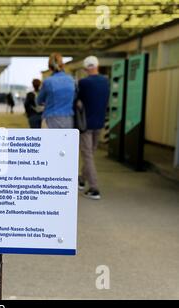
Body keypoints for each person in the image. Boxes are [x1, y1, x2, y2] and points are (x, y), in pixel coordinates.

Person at [77, 56, 110, 200]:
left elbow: (77, 101)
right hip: (99, 123)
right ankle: (82, 179)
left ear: (85, 69)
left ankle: (94, 188)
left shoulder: (83, 83)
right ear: (98, 66)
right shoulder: (105, 81)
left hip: (86, 124)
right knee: (90, 154)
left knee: (87, 155)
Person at [37, 53, 75, 128]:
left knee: (49, 139)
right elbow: (74, 97)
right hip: (68, 119)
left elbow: (39, 101)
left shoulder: (48, 82)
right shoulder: (71, 80)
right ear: (63, 65)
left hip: (50, 119)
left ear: (50, 67)